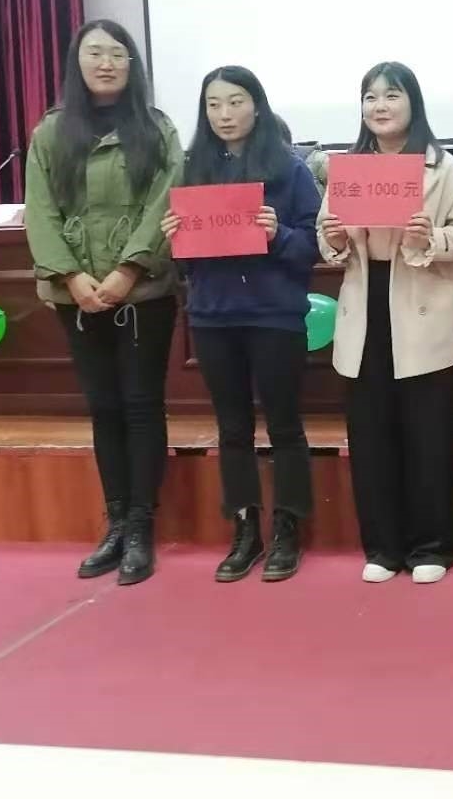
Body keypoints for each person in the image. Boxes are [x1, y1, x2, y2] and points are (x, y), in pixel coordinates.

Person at [24, 20, 181, 586]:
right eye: (95, 53)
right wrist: (70, 276)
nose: (106, 63)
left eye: (118, 53)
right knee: (104, 407)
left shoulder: (156, 128)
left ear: (132, 65)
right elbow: (40, 209)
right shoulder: (52, 131)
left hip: (144, 290)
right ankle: (115, 523)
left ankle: (141, 526)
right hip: (78, 294)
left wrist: (128, 269)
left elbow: (168, 202)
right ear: (78, 62)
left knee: (140, 404)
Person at [317, 62, 453, 585]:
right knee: (370, 436)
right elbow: (327, 235)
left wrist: (431, 238)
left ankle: (433, 545)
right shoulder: (350, 169)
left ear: (413, 102)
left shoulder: (444, 167)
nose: (380, 106)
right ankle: (383, 546)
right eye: (370, 97)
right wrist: (335, 238)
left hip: (422, 305)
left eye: (391, 95)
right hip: (365, 308)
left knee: (428, 434)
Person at [162, 68, 322, 583]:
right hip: (213, 316)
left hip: (274, 315)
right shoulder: (192, 171)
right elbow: (188, 262)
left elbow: (314, 246)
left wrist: (279, 235)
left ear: (256, 105)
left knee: (284, 425)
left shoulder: (289, 168)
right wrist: (175, 238)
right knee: (231, 428)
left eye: (235, 102)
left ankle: (288, 529)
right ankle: (245, 529)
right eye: (214, 105)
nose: (225, 114)